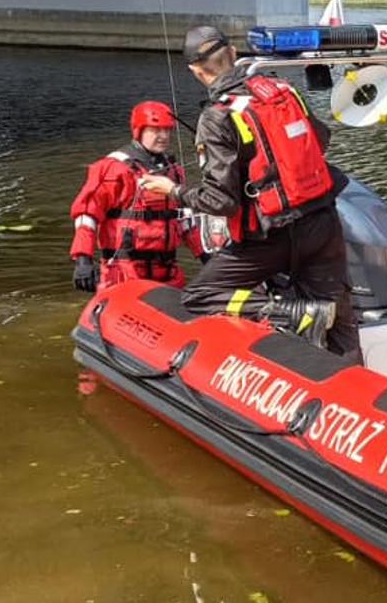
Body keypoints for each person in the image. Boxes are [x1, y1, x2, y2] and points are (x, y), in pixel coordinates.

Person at [139, 25, 359, 359]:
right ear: (233, 53)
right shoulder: (283, 90)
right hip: (322, 220)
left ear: (196, 71)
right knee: (340, 319)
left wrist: (174, 190)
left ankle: (290, 312)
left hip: (270, 237)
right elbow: (320, 140)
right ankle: (354, 381)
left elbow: (221, 201)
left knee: (200, 295)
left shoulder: (217, 116)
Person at [70, 101, 205, 292]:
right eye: (156, 130)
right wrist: (83, 259)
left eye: (167, 130)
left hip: (168, 272)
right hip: (124, 273)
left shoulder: (174, 172)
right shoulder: (113, 168)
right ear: (139, 130)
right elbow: (87, 215)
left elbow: (185, 221)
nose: (163, 136)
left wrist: (206, 257)